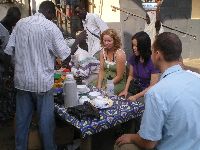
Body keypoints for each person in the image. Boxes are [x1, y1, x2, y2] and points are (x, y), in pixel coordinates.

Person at [4, 1, 83, 150]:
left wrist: (9, 75)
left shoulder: (20, 23)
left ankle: (20, 147)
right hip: (42, 84)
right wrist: (77, 41)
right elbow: (65, 57)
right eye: (53, 16)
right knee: (46, 123)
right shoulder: (50, 27)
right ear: (49, 12)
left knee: (22, 122)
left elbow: (8, 52)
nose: (53, 18)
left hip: (22, 82)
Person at [115, 32, 200, 150]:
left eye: (152, 50)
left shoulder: (156, 93)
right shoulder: (197, 78)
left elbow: (148, 143)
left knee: (122, 145)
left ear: (157, 54)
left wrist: (132, 137)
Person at [119, 31, 159, 101]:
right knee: (121, 99)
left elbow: (152, 86)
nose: (134, 48)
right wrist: (125, 90)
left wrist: (136, 96)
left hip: (147, 93)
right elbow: (130, 76)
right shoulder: (134, 58)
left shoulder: (153, 61)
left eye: (136, 46)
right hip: (135, 89)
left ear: (143, 46)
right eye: (133, 45)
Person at [0, 7, 21, 124]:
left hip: (11, 68)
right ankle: (3, 119)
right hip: (3, 69)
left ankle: (9, 117)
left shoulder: (11, 29)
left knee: (11, 94)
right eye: (14, 20)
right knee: (3, 94)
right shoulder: (0, 29)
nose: (16, 23)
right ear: (8, 16)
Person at [97, 29, 126, 95]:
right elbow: (101, 71)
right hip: (105, 80)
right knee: (93, 90)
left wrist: (106, 86)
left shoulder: (119, 54)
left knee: (105, 94)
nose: (106, 43)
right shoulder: (102, 52)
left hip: (117, 82)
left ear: (115, 41)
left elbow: (119, 76)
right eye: (105, 41)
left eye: (109, 41)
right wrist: (99, 86)